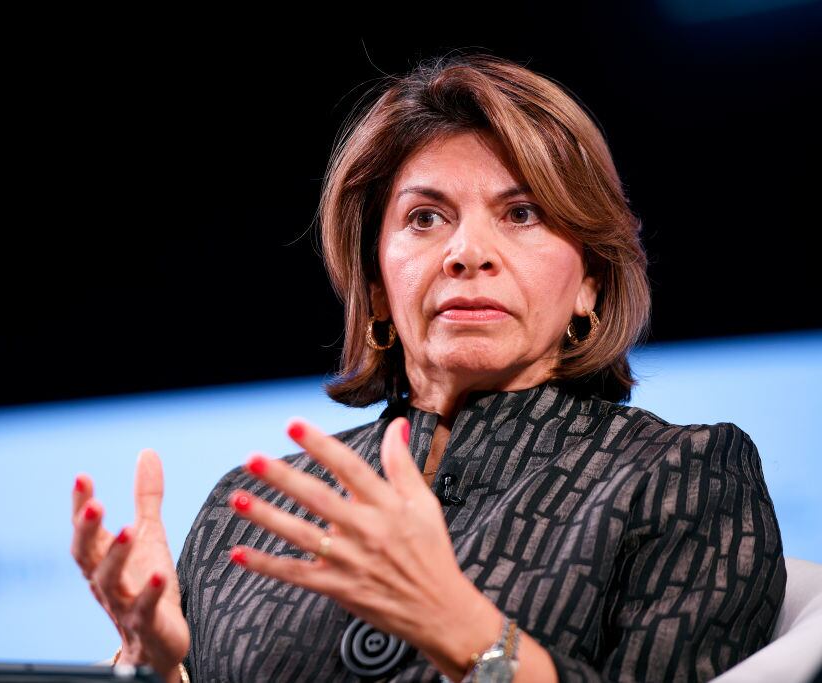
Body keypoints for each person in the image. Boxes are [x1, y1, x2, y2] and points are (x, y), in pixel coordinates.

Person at [69, 52, 787, 682]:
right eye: (425, 218)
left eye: (523, 213)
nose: (466, 252)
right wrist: (153, 668)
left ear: (590, 280)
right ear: (377, 284)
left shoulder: (681, 475)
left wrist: (463, 629)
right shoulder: (248, 514)